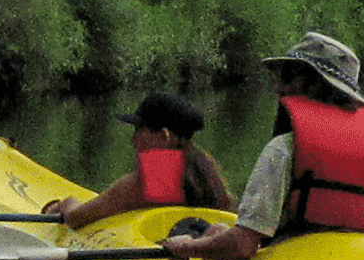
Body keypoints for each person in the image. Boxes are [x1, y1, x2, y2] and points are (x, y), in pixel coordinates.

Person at [159, 33, 364, 260]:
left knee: (215, 234)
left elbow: (242, 246)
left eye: (289, 76)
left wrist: (189, 247)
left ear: (316, 84)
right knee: (217, 230)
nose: (278, 86)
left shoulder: (284, 150)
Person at [43, 92, 239, 229]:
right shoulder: (204, 171)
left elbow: (76, 218)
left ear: (164, 136)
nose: (132, 139)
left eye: (139, 130)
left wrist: (65, 204)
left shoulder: (152, 179)